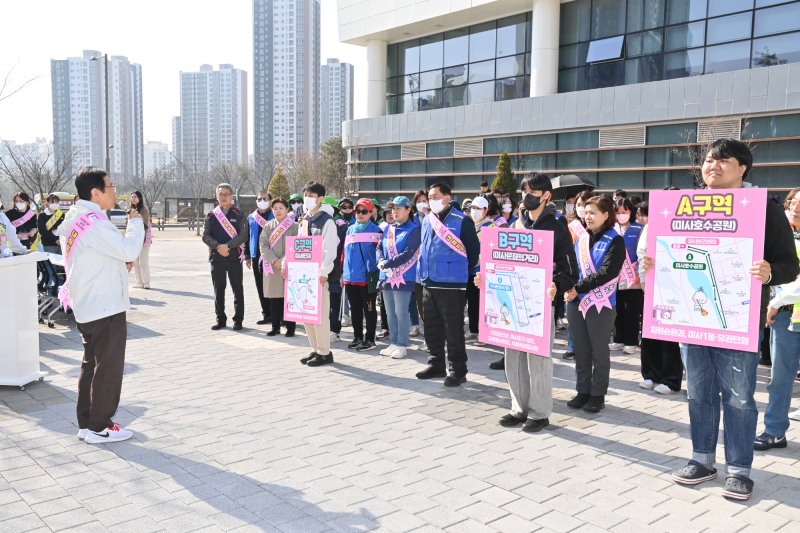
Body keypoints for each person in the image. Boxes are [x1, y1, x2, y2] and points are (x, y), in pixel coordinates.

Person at [641, 139, 799, 501]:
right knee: (698, 392)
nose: (712, 164)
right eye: (709, 159)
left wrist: (770, 271)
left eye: (723, 159)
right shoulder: (682, 205)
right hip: (691, 320)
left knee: (739, 397)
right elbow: (667, 257)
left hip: (736, 321)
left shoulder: (764, 208)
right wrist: (653, 264)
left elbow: (791, 266)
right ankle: (702, 459)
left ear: (743, 168)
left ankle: (740, 468)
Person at [479, 174, 578, 432]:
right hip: (512, 300)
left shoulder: (557, 227)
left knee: (538, 359)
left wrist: (557, 283)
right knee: (513, 355)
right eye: (524, 191)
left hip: (540, 304)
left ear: (546, 195)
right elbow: (506, 259)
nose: (526, 196)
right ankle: (518, 407)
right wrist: (487, 277)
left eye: (532, 191)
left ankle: (539, 412)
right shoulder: (517, 225)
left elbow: (570, 271)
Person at [57, 167, 144, 443]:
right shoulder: (94, 221)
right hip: (105, 306)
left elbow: (93, 258)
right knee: (107, 367)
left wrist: (119, 261)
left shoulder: (75, 218)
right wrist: (136, 223)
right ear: (96, 193)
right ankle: (100, 426)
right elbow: (129, 249)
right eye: (110, 186)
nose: (114, 191)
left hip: (88, 303)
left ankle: (86, 423)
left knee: (92, 364)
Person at [564, 195, 625, 414]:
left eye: (593, 213)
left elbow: (608, 272)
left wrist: (578, 288)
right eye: (585, 212)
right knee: (581, 350)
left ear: (606, 215)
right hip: (577, 301)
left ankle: (597, 394)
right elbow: (572, 266)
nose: (588, 217)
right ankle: (583, 390)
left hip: (601, 303)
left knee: (599, 351)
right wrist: (568, 286)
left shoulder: (615, 240)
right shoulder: (581, 238)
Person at [416, 183, 480, 386]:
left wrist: (456, 269)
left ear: (447, 197)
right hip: (428, 280)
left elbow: (473, 253)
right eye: (429, 196)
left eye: (435, 196)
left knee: (453, 329)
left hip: (451, 284)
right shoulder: (427, 220)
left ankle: (458, 370)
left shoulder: (462, 221)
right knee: (431, 327)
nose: (431, 200)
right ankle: (436, 363)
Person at [753, 187, 800, 452]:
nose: (796, 206)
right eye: (793, 201)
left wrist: (774, 301)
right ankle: (774, 431)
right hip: (785, 318)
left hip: (780, 307)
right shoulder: (781, 234)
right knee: (780, 377)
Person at [636, 199, 683, 395]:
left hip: (674, 286)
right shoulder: (651, 226)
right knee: (650, 331)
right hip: (653, 282)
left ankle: (671, 379)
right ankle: (650, 374)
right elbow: (641, 252)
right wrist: (644, 278)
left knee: (669, 333)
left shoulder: (683, 225)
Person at [297, 181, 340, 367]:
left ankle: (325, 352)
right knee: (307, 313)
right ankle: (314, 349)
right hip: (303, 273)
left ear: (320, 199)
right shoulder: (305, 219)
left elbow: (329, 249)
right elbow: (298, 244)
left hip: (319, 275)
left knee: (320, 316)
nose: (307, 198)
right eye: (305, 194)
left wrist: (324, 271)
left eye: (311, 196)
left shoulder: (326, 220)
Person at [376, 196, 421, 359]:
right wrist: (381, 260)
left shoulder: (414, 229)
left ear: (409, 210)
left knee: (401, 311)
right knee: (389, 312)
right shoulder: (389, 228)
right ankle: (393, 342)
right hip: (386, 275)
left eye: (398, 208)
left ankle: (402, 344)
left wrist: (387, 263)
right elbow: (379, 247)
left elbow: (408, 253)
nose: (394, 211)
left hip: (403, 275)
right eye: (392, 208)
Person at [202, 183, 250, 331]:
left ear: (231, 196)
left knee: (237, 289)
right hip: (216, 257)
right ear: (217, 196)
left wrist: (228, 246)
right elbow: (205, 236)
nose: (223, 197)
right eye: (220, 194)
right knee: (219, 290)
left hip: (234, 257)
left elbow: (243, 236)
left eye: (226, 194)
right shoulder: (211, 216)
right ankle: (220, 319)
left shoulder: (240, 214)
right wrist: (218, 247)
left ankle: (238, 320)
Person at [343, 198, 382, 352]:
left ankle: (370, 339)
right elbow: (344, 253)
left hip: (367, 278)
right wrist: (343, 272)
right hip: (350, 277)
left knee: (370, 309)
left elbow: (380, 253)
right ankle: (357, 336)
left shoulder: (376, 230)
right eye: (358, 211)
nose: (360, 214)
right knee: (355, 309)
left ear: (371, 212)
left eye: (364, 211)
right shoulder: (350, 229)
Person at [608, 197, 644, 355]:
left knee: (632, 310)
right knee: (618, 309)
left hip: (632, 277)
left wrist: (639, 273)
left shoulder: (639, 228)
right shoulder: (611, 229)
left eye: (625, 212)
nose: (621, 215)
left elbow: (642, 252)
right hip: (615, 277)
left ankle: (631, 342)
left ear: (631, 212)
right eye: (618, 212)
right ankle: (618, 339)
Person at [258, 197, 298, 337]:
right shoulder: (268, 226)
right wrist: (275, 260)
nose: (278, 211)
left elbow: (295, 246)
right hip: (272, 266)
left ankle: (290, 327)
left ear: (287, 209)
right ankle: (275, 327)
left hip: (289, 267)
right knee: (274, 299)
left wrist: (284, 261)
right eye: (275, 208)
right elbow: (263, 246)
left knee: (290, 298)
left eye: (281, 208)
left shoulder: (295, 226)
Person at [466, 196, 494, 347]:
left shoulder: (490, 226)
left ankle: (484, 334)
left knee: (483, 304)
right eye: (473, 208)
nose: (474, 211)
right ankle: (473, 330)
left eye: (478, 208)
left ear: (485, 210)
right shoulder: (470, 225)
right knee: (472, 302)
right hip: (470, 270)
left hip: (483, 271)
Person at [248, 190, 275, 325]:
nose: (262, 201)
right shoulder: (251, 217)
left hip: (272, 255)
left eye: (265, 199)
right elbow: (248, 237)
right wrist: (247, 255)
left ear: (270, 201)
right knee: (260, 286)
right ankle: (266, 314)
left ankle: (278, 315)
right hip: (256, 255)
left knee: (274, 285)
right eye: (259, 199)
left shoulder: (276, 216)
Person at [128, 191, 152, 289]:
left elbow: (145, 225)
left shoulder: (143, 209)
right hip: (134, 238)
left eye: (135, 197)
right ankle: (139, 282)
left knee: (143, 262)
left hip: (143, 238)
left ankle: (146, 282)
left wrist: (142, 239)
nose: (133, 198)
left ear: (140, 198)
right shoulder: (131, 209)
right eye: (132, 197)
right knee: (136, 262)